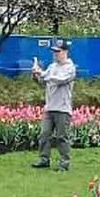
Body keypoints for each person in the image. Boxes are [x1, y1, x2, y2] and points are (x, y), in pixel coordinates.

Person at [31, 39, 76, 171]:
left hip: (63, 109)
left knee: (62, 137)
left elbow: (60, 80)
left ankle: (64, 163)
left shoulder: (70, 68)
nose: (55, 54)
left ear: (65, 52)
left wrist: (43, 74)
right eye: (54, 52)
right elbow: (42, 82)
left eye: (58, 51)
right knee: (44, 134)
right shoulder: (52, 67)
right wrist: (35, 75)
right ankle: (44, 159)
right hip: (49, 108)